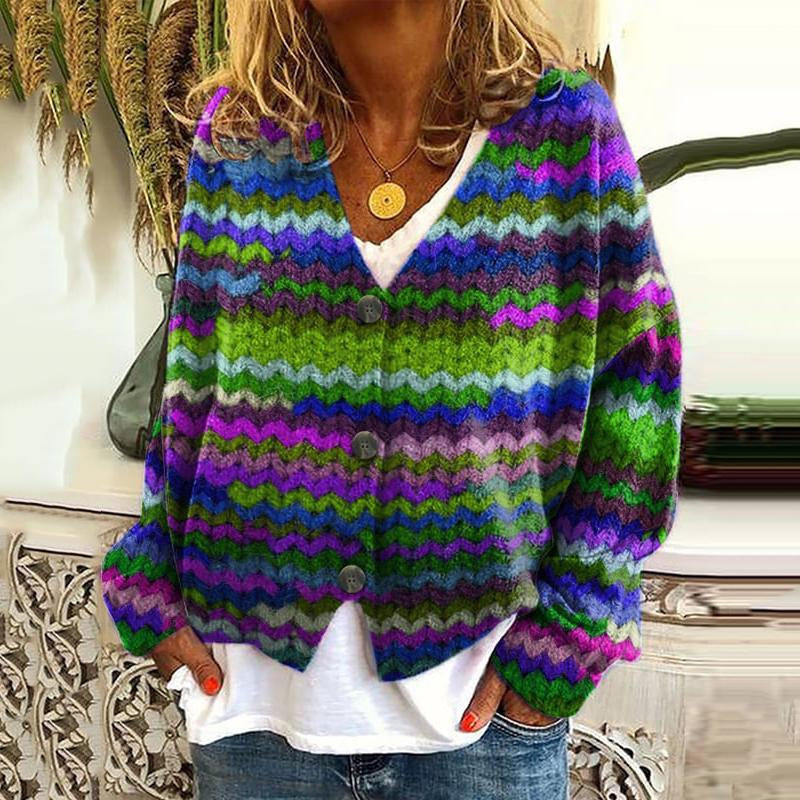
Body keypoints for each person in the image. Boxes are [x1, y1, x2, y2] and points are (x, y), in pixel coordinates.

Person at [100, 1, 683, 798]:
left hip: (480, 738)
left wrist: (576, 626)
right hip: (254, 725)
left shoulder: (565, 136)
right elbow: (193, 384)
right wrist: (150, 576)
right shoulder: (238, 138)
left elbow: (639, 386)